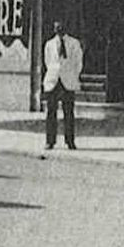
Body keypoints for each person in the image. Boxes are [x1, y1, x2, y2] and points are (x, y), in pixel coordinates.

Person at [42, 19, 83, 150]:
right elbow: (47, 61)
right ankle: (50, 141)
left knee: (69, 112)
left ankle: (70, 140)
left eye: (61, 26)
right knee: (51, 112)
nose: (58, 29)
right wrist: (55, 72)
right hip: (53, 81)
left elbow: (78, 62)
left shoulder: (74, 43)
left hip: (68, 81)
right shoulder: (49, 44)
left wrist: (72, 75)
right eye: (56, 27)